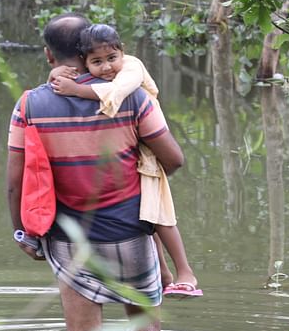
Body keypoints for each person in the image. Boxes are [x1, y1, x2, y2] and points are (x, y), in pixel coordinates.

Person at [7, 13, 185, 331]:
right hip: (131, 231)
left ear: (49, 55)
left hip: (68, 240)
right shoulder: (130, 97)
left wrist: (24, 232)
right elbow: (174, 159)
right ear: (88, 48)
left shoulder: (29, 104)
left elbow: (16, 181)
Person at [49, 24, 200, 298]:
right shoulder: (97, 72)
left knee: (160, 215)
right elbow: (82, 77)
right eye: (97, 62)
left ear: (123, 52)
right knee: (147, 216)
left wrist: (75, 90)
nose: (106, 67)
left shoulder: (131, 69)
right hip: (137, 148)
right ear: (84, 61)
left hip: (150, 147)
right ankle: (164, 274)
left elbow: (116, 92)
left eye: (111, 59)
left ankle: (186, 271)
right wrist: (56, 74)